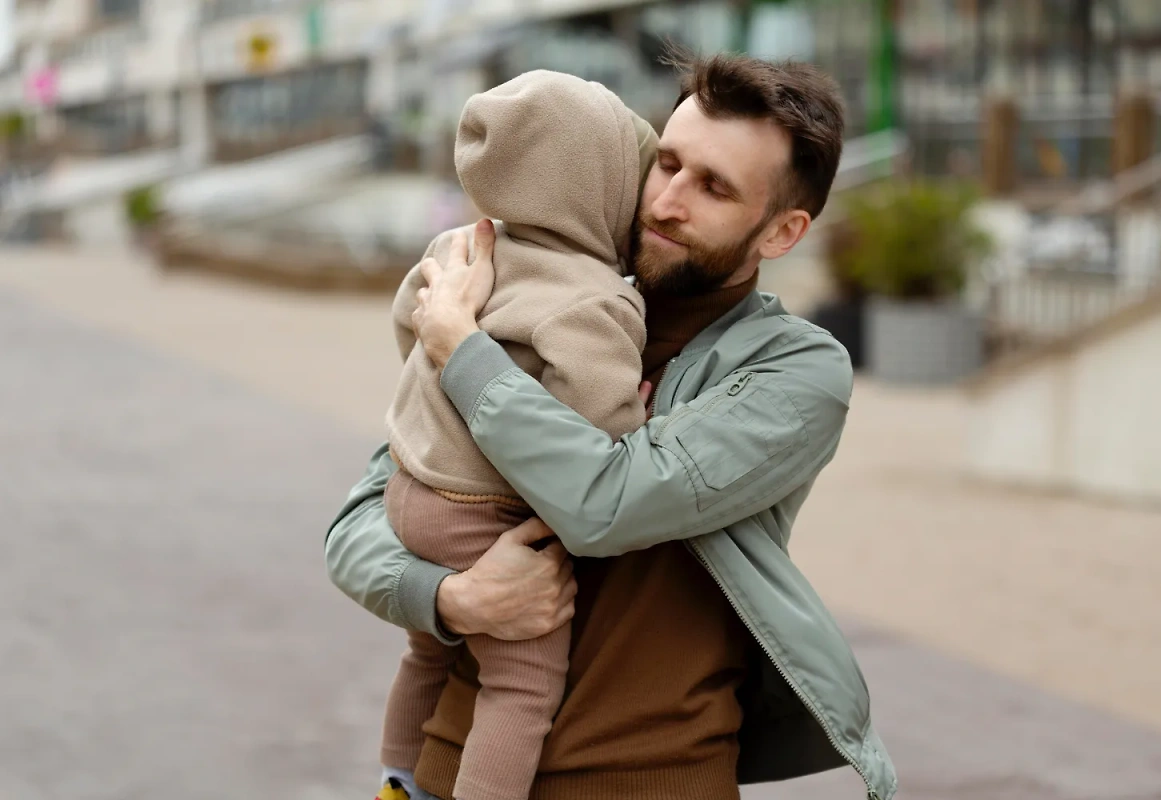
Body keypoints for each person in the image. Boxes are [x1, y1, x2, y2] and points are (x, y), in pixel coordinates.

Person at [327, 51, 898, 800]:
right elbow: (365, 515)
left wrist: (460, 350)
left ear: (781, 232)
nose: (666, 201)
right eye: (666, 164)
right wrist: (447, 598)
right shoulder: (526, 294)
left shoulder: (794, 371)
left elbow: (608, 503)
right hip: (453, 773)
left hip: (653, 780)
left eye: (714, 187)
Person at [378, 70, 658, 800]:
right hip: (477, 509)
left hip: (408, 484)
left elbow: (409, 322)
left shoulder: (461, 246)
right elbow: (603, 430)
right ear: (598, 185)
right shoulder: (592, 300)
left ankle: (396, 782)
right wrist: (642, 414)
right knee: (523, 682)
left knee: (426, 655)